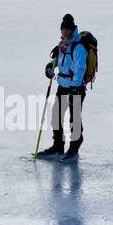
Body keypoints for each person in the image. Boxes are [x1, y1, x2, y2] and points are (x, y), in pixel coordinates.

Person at [38, 13, 87, 160]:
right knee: (56, 115)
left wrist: (74, 88)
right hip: (62, 86)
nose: (65, 31)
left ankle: (74, 147)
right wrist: (50, 68)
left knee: (74, 118)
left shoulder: (78, 48)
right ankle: (58, 146)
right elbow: (58, 63)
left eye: (67, 29)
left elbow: (80, 69)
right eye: (63, 29)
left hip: (76, 88)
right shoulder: (62, 45)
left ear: (73, 30)